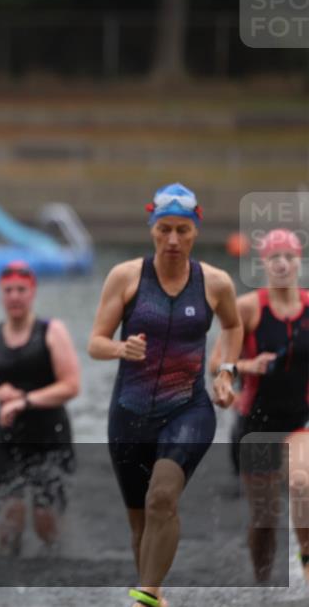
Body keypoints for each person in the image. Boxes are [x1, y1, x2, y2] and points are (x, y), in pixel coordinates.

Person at [87, 183, 242, 607]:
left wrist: (226, 370)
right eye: (165, 229)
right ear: (152, 228)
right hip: (130, 411)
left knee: (162, 498)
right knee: (140, 522)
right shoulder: (126, 277)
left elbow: (232, 326)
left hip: (188, 408)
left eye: (183, 231)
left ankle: (147, 596)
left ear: (195, 231)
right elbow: (95, 342)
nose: (173, 240)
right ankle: (153, 597)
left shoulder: (215, 282)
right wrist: (121, 348)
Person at [0, 261, 80, 557]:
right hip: (9, 438)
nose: (14, 296)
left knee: (44, 521)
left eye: (21, 290)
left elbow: (71, 385)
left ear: (32, 293)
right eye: (8, 290)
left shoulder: (51, 331)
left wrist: (24, 400)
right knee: (11, 518)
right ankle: (7, 584)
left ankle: (54, 569)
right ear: (1, 295)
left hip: (50, 435)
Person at [209, 228, 308, 583]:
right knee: (265, 520)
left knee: (303, 485)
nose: (282, 264)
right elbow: (217, 363)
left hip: (299, 420)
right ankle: (262, 586)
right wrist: (247, 366)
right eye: (274, 258)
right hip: (256, 424)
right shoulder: (249, 308)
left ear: (299, 261)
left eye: (289, 257)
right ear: (263, 264)